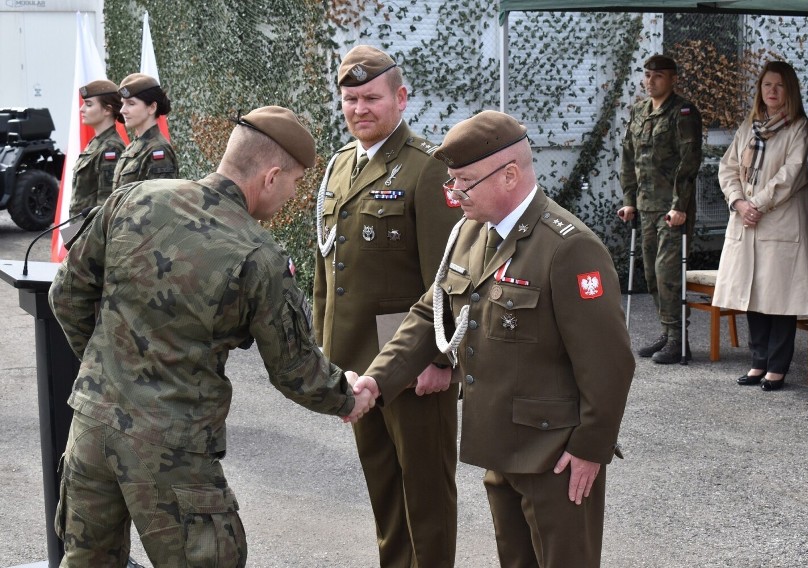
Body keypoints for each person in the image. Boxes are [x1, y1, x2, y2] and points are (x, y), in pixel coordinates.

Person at [48, 106, 374, 567]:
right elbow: (295, 370)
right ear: (271, 176)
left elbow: (66, 295)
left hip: (91, 429)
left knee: (86, 561)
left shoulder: (133, 198)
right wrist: (347, 397)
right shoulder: (258, 254)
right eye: (296, 183)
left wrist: (108, 370)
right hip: (173, 450)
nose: (293, 195)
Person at [355, 110, 635, 567]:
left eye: (463, 181)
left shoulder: (567, 247)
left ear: (509, 175)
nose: (452, 193)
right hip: (500, 448)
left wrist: (590, 449)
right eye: (451, 181)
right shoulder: (470, 232)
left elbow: (610, 363)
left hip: (555, 458)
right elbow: (432, 313)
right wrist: (377, 380)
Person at [313, 45, 462, 567]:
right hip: (356, 362)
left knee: (425, 496)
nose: (359, 109)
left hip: (412, 361)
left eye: (371, 97)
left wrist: (440, 359)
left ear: (400, 98)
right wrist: (325, 352)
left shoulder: (427, 169)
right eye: (350, 99)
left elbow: (447, 279)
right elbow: (327, 270)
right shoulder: (338, 167)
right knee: (384, 491)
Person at [713, 61, 808, 391]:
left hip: (782, 222)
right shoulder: (750, 127)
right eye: (766, 85)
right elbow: (727, 168)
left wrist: (755, 203)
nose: (772, 91)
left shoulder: (800, 129)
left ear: (791, 91)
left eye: (779, 86)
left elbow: (791, 174)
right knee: (753, 295)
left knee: (780, 298)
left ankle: (778, 366)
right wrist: (739, 202)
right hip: (747, 221)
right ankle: (758, 361)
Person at [617, 54, 703, 364]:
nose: (650, 81)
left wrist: (680, 205)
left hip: (671, 208)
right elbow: (629, 157)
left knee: (668, 273)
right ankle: (667, 333)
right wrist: (629, 200)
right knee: (653, 275)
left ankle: (679, 340)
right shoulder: (640, 111)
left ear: (673, 78)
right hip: (645, 206)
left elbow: (689, 160)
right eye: (648, 75)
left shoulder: (683, 112)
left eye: (658, 76)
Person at [69, 79, 126, 216]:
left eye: (88, 105)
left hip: (91, 230)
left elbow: (105, 206)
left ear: (107, 109)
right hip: (80, 227)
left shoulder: (111, 148)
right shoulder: (98, 143)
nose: (81, 109)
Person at [112, 73, 178, 189]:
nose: (123, 110)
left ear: (152, 107)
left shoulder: (158, 150)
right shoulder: (134, 147)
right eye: (123, 104)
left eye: (131, 104)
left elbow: (158, 200)